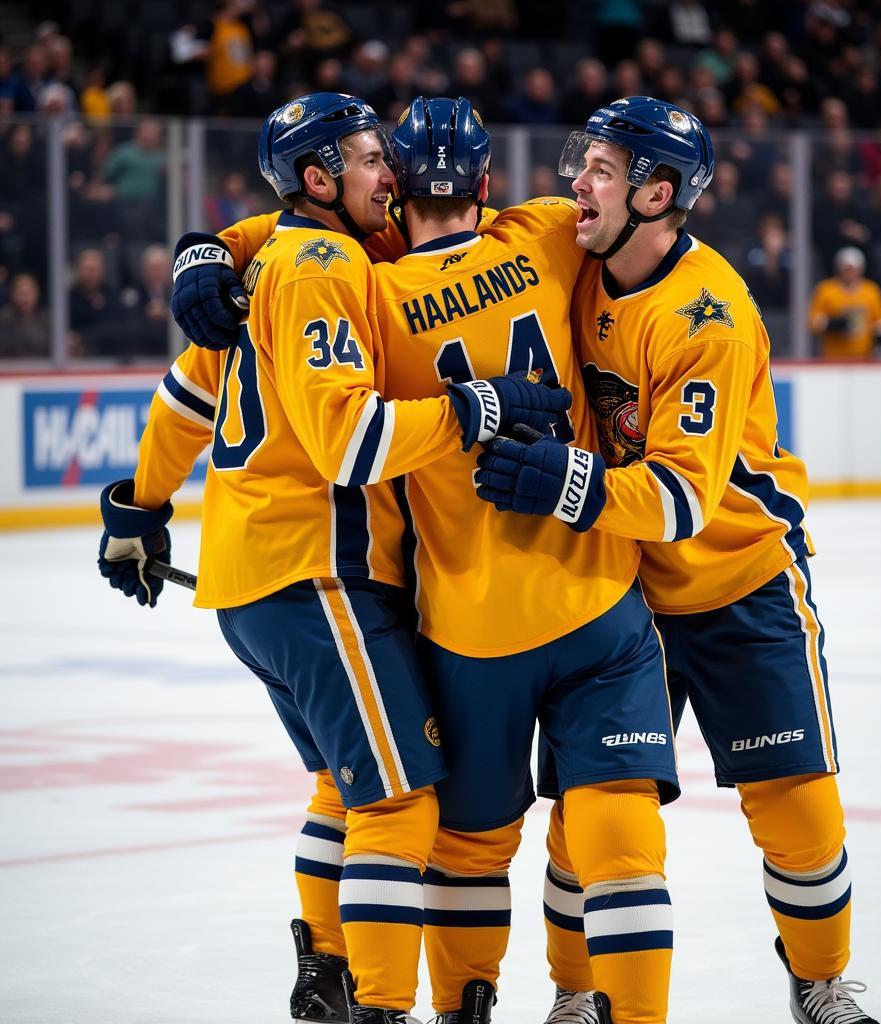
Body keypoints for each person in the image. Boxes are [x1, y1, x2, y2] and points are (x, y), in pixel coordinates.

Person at [172, 96, 681, 1024]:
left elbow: (272, 268)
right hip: (591, 585)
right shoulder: (541, 238)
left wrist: (209, 246)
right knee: (605, 822)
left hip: (459, 619)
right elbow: (623, 220)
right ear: (488, 187)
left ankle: (455, 1003)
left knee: (456, 836)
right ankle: (605, 1009)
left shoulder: (368, 287)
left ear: (395, 192)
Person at [98, 93, 571, 1024]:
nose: (390, 174)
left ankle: (323, 970)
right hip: (319, 573)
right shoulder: (325, 263)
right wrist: (481, 406)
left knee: (346, 786)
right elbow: (349, 446)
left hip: (255, 577)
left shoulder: (276, 260)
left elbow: (186, 402)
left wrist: (139, 508)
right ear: (322, 180)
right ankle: (380, 1008)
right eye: (369, 160)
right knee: (399, 806)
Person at [474, 96, 879, 1024]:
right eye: (585, 163)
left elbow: (684, 500)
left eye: (604, 171)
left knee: (801, 816)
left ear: (658, 194)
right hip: (622, 599)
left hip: (739, 582)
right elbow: (424, 230)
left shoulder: (710, 313)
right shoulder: (570, 248)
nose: (579, 181)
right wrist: (219, 247)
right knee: (589, 822)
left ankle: (819, 981)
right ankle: (577, 997)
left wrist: (564, 483)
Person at [809, 247, 881, 360]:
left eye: (853, 269)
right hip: (833, 357)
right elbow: (813, 322)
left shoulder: (871, 291)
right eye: (847, 269)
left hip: (864, 357)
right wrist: (836, 324)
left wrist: (879, 338)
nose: (850, 273)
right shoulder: (826, 290)